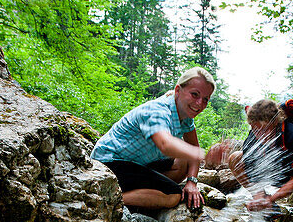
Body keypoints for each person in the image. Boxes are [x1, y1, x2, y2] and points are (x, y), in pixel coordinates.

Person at [91, 67, 215, 211]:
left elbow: (193, 151)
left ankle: (145, 193)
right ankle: (109, 199)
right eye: (195, 94)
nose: (200, 103)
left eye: (205, 99)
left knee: (184, 161)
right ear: (178, 90)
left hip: (136, 163)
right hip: (109, 162)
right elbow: (165, 144)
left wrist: (192, 182)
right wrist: (203, 154)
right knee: (173, 195)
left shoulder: (185, 116)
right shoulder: (158, 110)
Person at [228, 98, 293, 214]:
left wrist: (272, 198)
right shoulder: (252, 141)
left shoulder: (292, 133)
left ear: (275, 123)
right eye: (255, 129)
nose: (259, 134)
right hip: (276, 174)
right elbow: (252, 176)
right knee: (234, 158)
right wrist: (261, 199)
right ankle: (265, 201)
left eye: (263, 129)